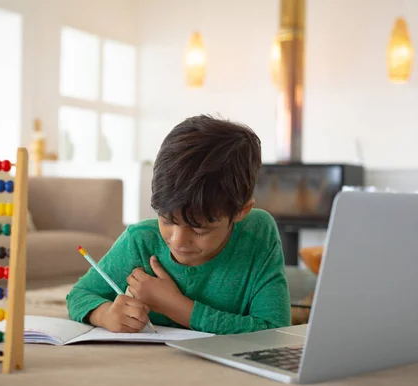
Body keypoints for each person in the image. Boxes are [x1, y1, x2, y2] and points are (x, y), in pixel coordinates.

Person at [66, 114, 291, 335]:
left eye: (199, 229)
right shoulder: (141, 240)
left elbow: (275, 332)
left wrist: (175, 306)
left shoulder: (258, 233)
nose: (178, 241)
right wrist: (105, 314)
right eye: (167, 220)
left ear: (241, 211)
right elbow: (79, 295)